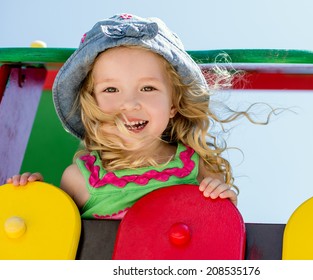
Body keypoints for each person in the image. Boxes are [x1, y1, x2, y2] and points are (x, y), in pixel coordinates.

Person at [7, 13, 252, 219]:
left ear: (173, 104)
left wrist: (224, 201)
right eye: (111, 89)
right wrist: (32, 198)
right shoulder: (80, 179)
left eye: (148, 88)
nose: (130, 103)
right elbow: (59, 238)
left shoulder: (197, 168)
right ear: (93, 102)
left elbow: (218, 231)